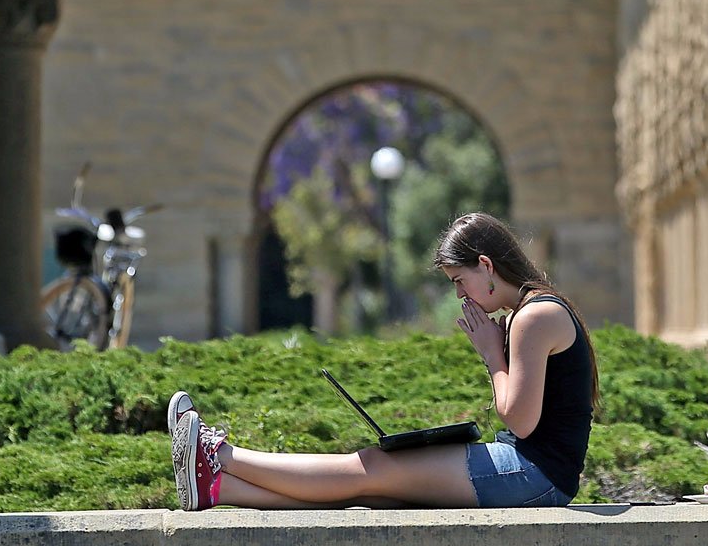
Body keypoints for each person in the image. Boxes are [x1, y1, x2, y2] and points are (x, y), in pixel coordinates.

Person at [167, 211, 599, 510]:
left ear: (485, 266)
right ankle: (219, 488)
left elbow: (520, 421)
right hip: (530, 470)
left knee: (373, 466)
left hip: (534, 477)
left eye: (459, 280)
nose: (459, 294)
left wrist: (491, 355)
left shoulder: (535, 315)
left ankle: (219, 455)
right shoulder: (529, 312)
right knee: (377, 493)